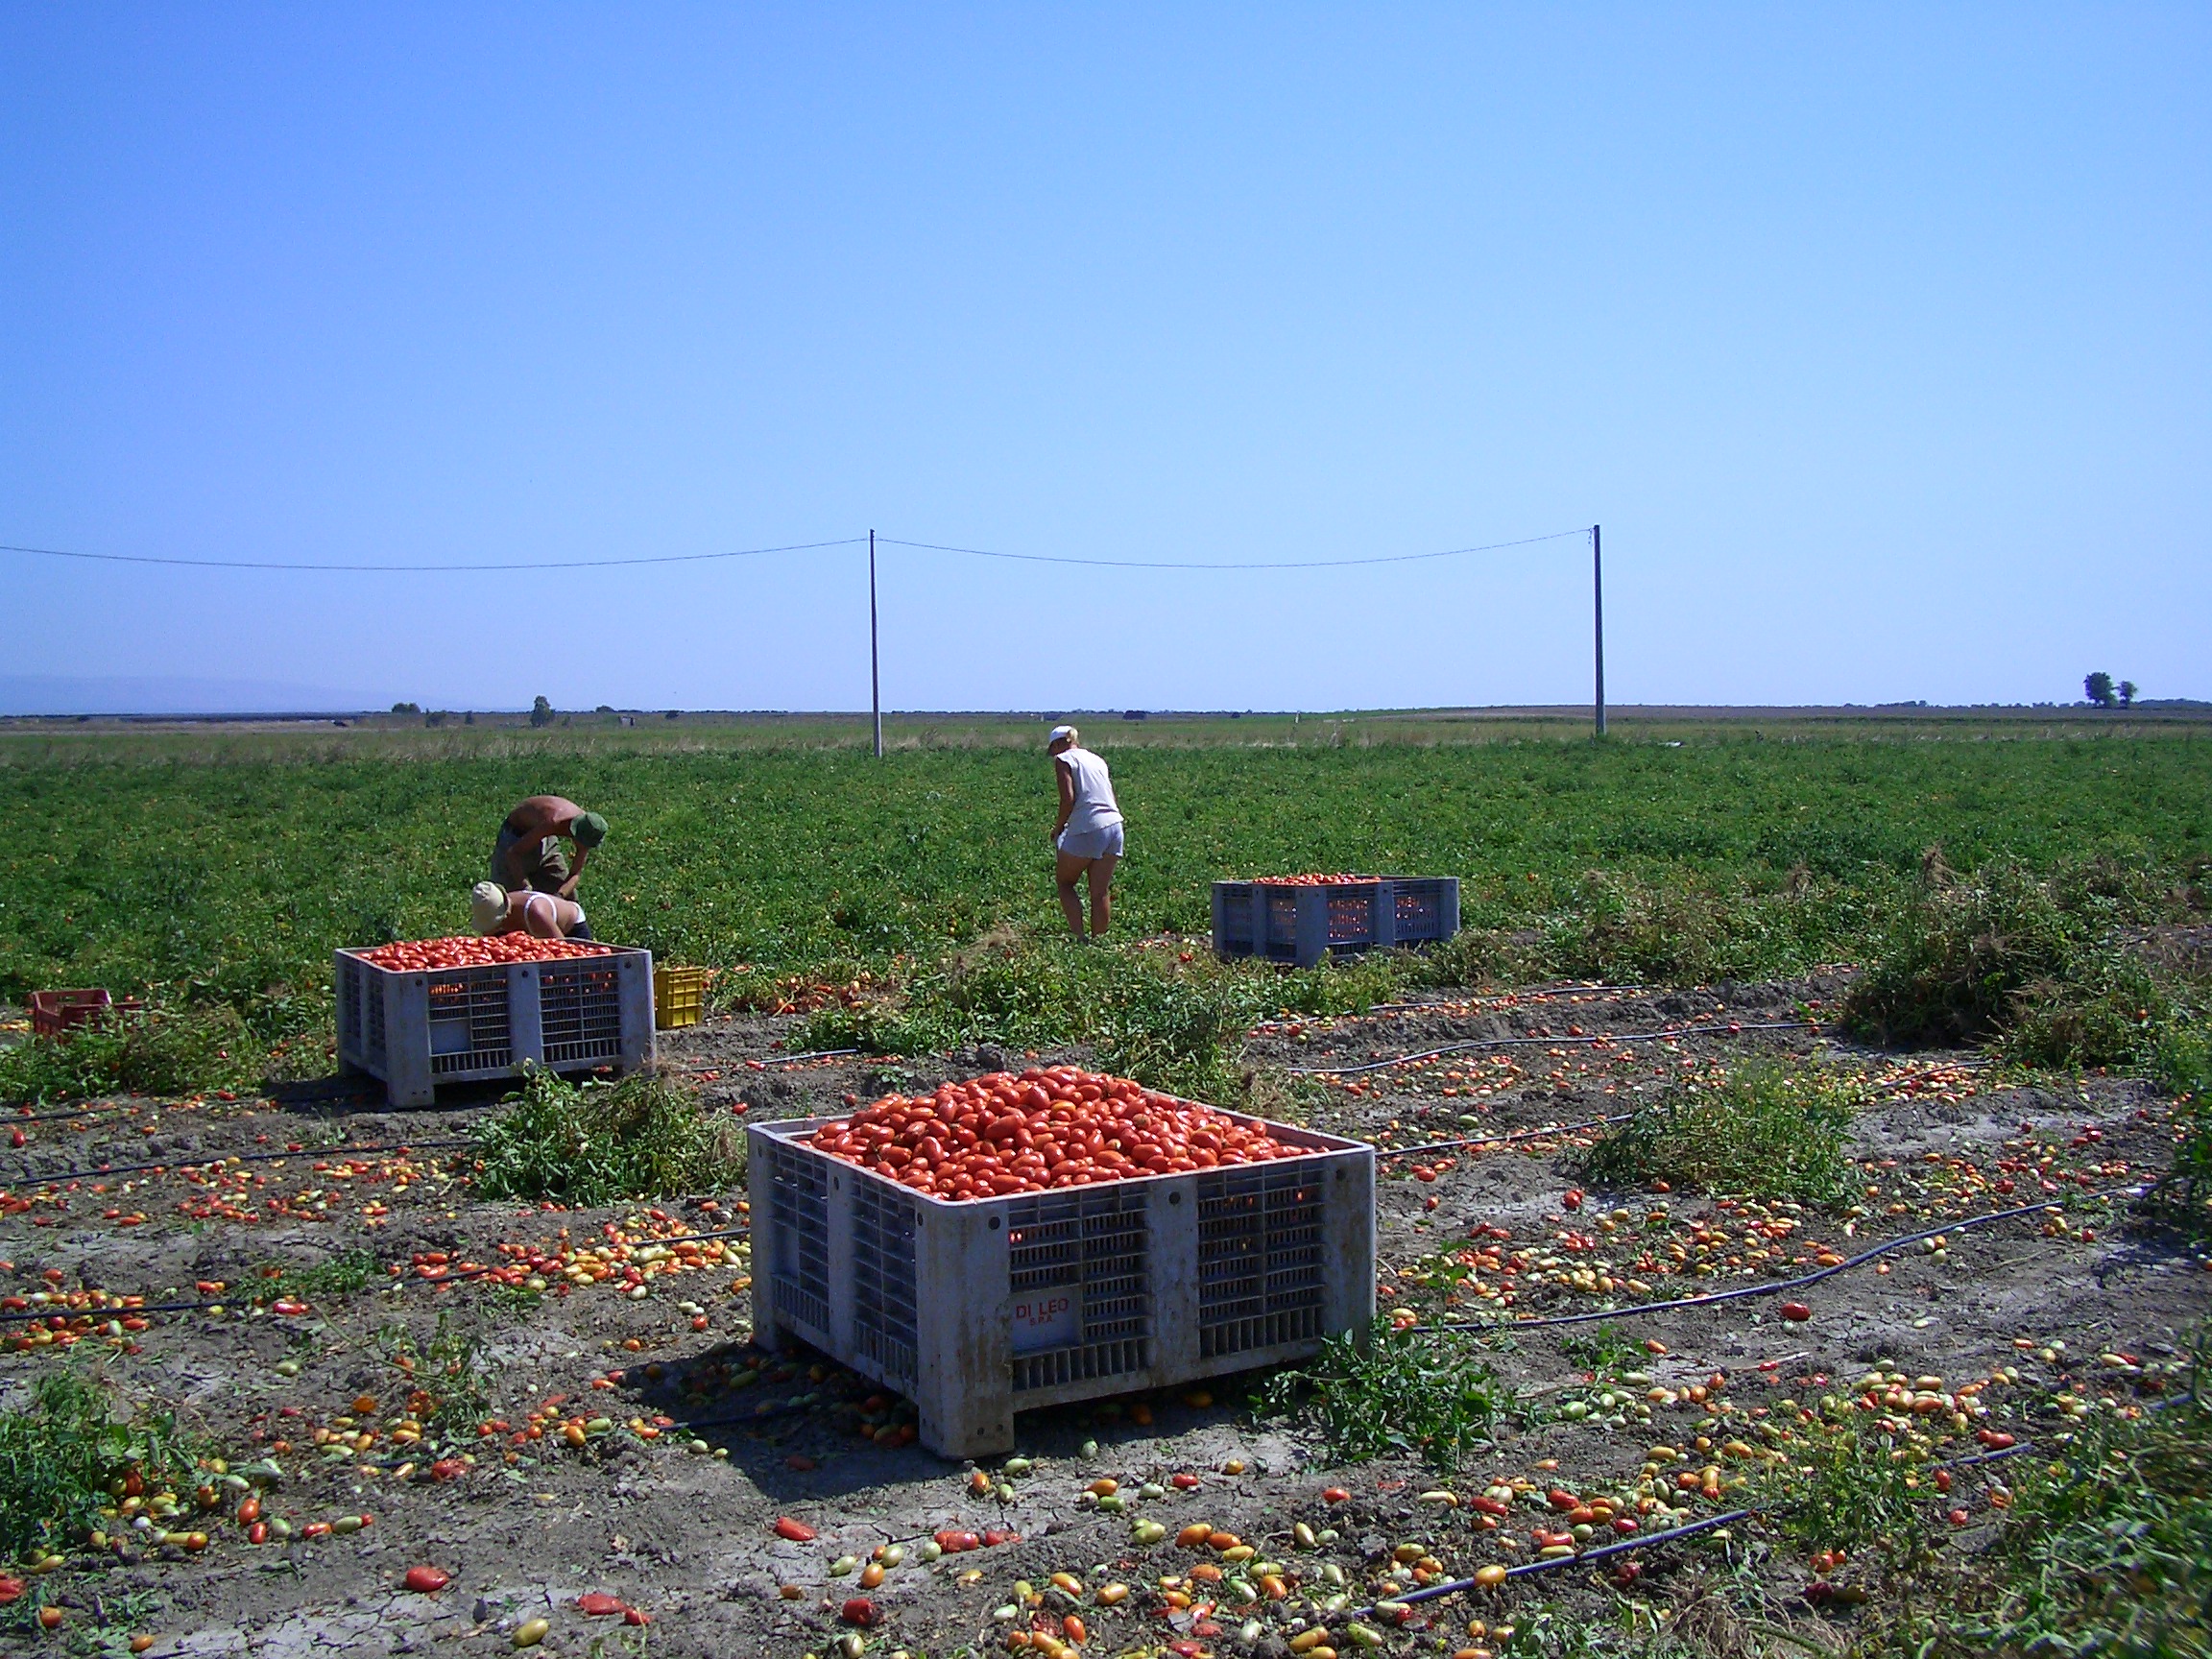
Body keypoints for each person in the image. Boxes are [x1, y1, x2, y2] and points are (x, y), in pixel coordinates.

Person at [1046, 725, 1123, 939]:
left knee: (1065, 882)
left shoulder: (1064, 760)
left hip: (1088, 827)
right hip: (1115, 826)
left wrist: (1059, 827)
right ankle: (1099, 943)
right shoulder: (1096, 759)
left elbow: (1068, 799)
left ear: (1058, 744)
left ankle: (1080, 939)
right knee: (1099, 892)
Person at [491, 796, 607, 898]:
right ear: (575, 832)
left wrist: (560, 896)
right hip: (515, 837)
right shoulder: (553, 821)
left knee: (570, 897)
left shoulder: (589, 829)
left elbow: (575, 873)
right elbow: (513, 854)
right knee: (506, 900)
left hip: (545, 839)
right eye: (583, 843)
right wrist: (526, 888)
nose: (584, 848)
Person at [470, 880, 592, 941]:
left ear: (505, 915)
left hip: (570, 930)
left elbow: (562, 950)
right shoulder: (489, 908)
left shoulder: (536, 913)